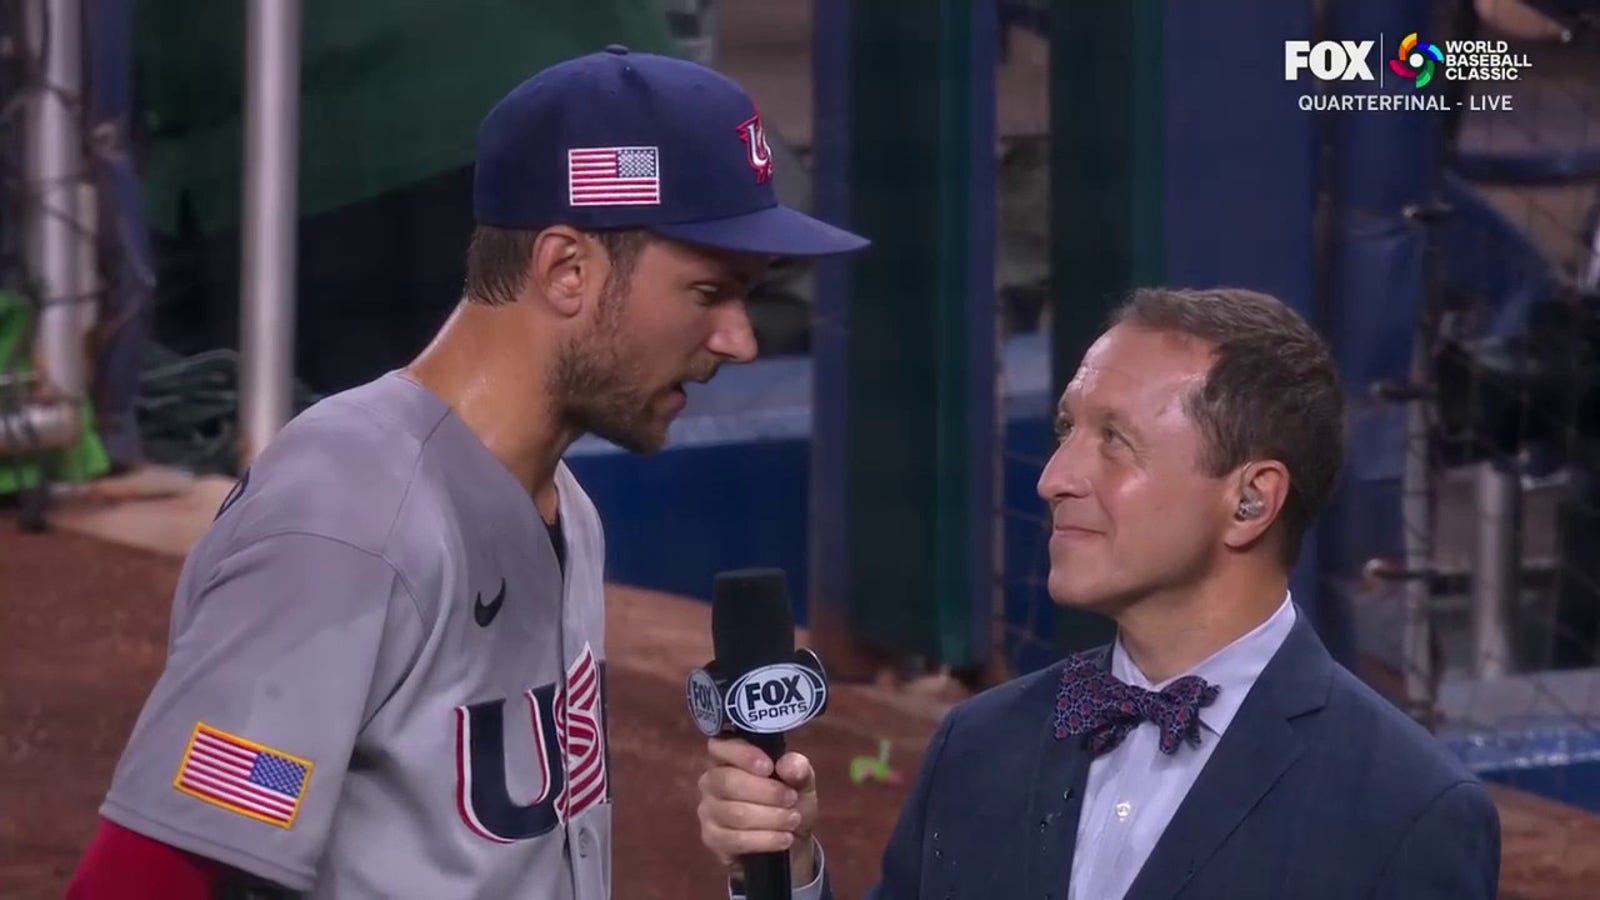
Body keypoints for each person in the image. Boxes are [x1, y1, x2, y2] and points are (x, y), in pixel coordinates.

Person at [67, 46, 867, 899]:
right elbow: (149, 874)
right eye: (711, 293)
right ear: (567, 272)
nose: (741, 340)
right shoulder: (348, 518)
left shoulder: (569, 511)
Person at [696, 287, 1501, 899]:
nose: (1054, 479)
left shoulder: (1401, 811)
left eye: (1114, 442)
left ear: (1251, 500)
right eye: (1065, 432)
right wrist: (791, 869)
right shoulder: (977, 748)